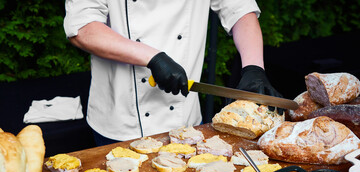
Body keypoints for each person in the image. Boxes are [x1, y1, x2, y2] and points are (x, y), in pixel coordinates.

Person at [63, 1, 283, 146]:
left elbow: (239, 9)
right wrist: (152, 57)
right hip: (121, 120)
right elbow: (82, 28)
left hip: (185, 122)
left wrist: (254, 67)